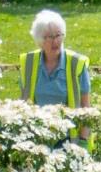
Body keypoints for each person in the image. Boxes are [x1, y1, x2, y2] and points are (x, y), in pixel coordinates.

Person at [21, 10, 92, 144]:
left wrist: (83, 141)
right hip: (37, 138)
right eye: (50, 37)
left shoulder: (76, 63)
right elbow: (23, 102)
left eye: (59, 35)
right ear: (40, 40)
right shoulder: (28, 63)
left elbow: (85, 107)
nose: (56, 41)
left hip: (68, 140)